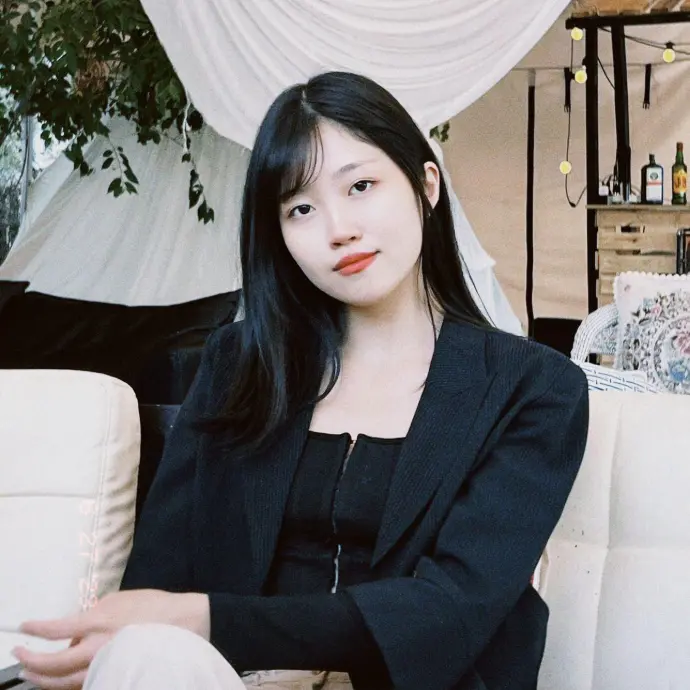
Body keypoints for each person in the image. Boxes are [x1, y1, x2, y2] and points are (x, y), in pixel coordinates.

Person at [13, 71, 589, 690]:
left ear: (427, 185)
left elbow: (451, 612)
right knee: (145, 655)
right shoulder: (238, 366)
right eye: (301, 208)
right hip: (228, 681)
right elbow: (158, 582)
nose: (338, 229)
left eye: (361, 186)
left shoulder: (535, 389)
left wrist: (208, 620)